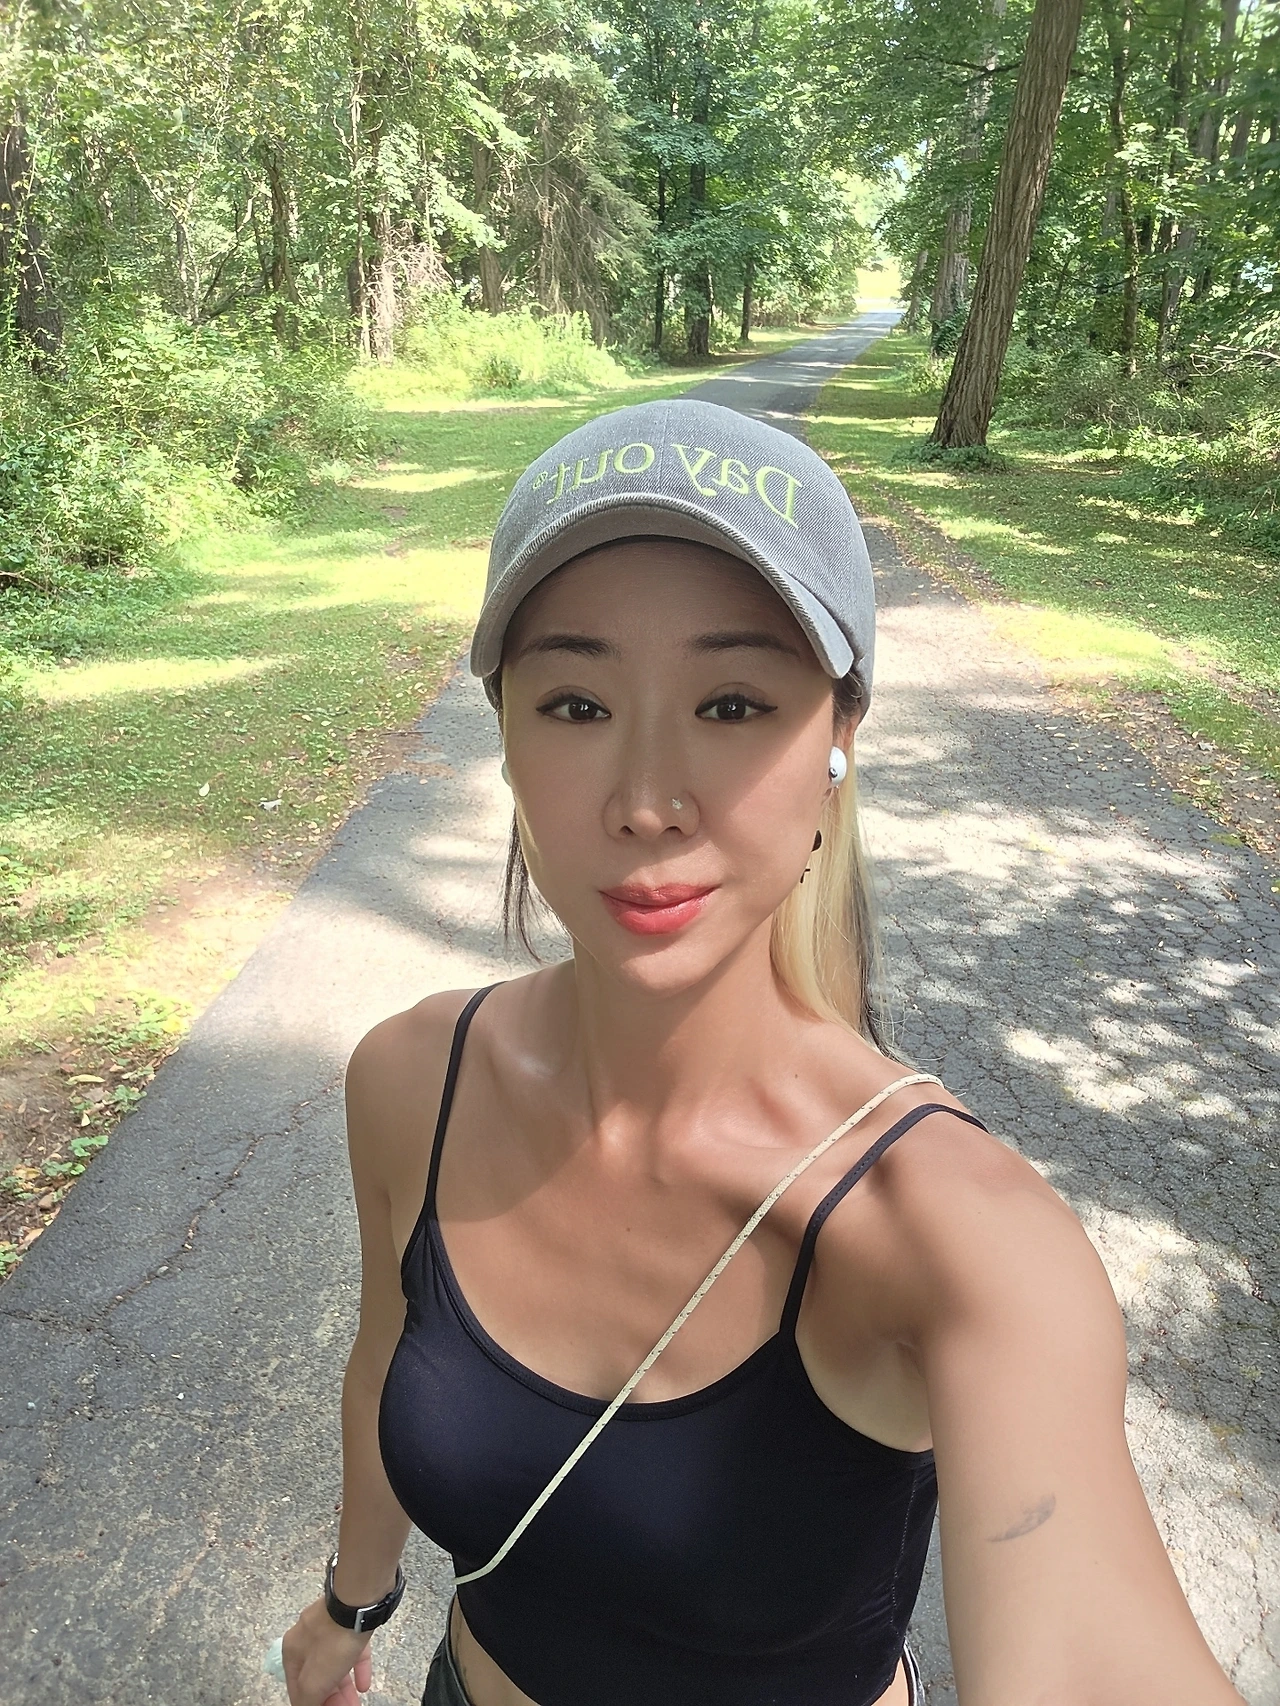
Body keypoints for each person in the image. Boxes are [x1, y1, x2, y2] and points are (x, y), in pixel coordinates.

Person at [280, 400, 1244, 1706]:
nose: (645, 801)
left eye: (732, 703)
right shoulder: (412, 1081)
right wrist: (353, 1601)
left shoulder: (956, 1235)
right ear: (505, 736)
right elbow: (382, 1359)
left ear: (837, 739)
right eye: (576, 702)